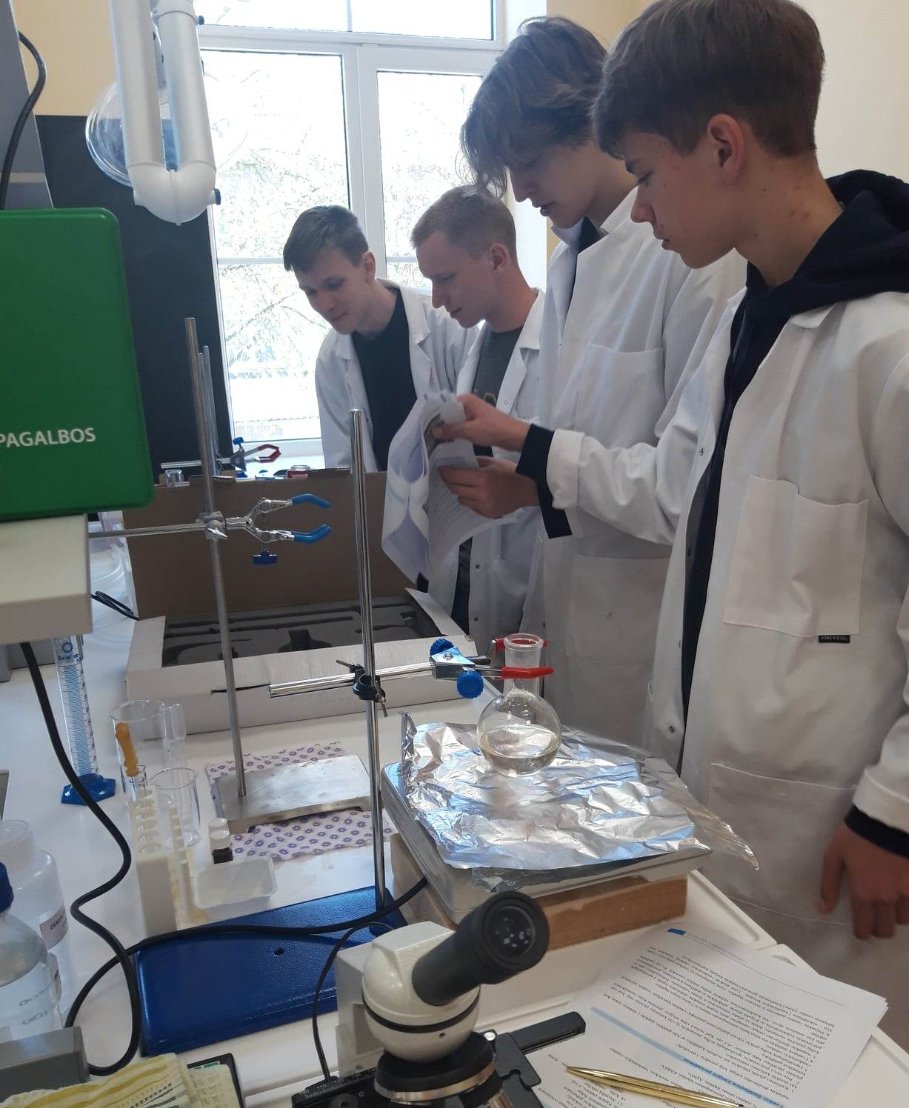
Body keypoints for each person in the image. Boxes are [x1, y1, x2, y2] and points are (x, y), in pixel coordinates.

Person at [439, 0, 909, 1053]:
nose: (638, 207)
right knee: (741, 1074)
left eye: (644, 173)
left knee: (851, 1090)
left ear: (723, 146)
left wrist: (901, 815)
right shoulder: (742, 319)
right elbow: (678, 487)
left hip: (849, 834)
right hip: (729, 806)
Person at [455, 17, 743, 744]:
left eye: (530, 163)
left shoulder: (692, 260)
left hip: (642, 640)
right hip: (569, 621)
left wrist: (533, 448)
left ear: (590, 122)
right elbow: (587, 456)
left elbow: (685, 491)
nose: (520, 191)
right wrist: (532, 482)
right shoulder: (569, 262)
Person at [411, 187, 543, 651]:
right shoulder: (474, 346)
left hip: (527, 595)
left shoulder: (560, 346)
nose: (437, 299)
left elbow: (573, 473)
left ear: (496, 258)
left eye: (446, 278)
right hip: (462, 592)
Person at [283, 205, 472, 470]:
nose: (324, 305)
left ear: (368, 267)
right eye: (310, 292)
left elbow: (482, 437)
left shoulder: (447, 327)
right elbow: (343, 467)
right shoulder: (330, 360)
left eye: (334, 284)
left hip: (459, 491)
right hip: (376, 496)